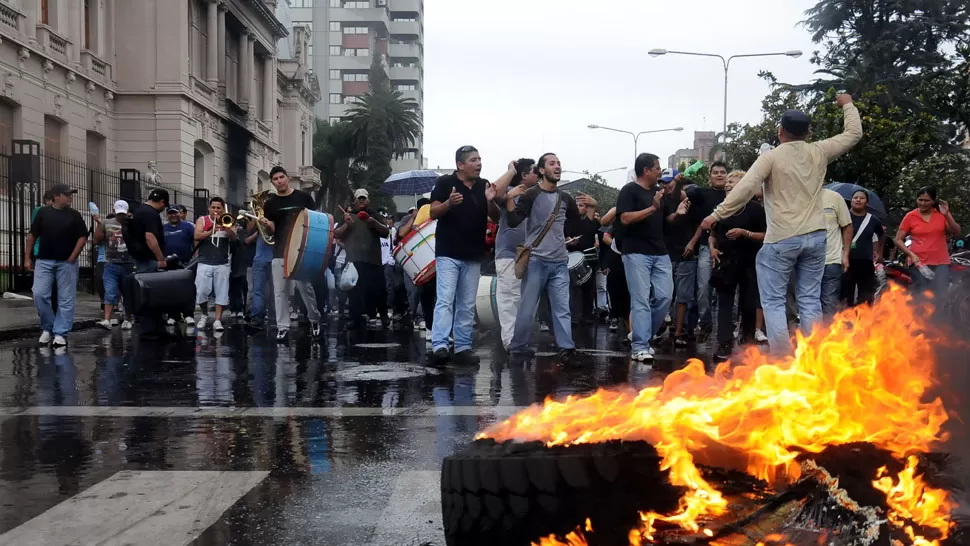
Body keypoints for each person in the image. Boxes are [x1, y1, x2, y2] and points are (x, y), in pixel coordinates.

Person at [701, 93, 863, 354]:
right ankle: (811, 358)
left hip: (781, 239)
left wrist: (717, 214)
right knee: (810, 299)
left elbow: (745, 188)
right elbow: (853, 134)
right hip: (816, 238)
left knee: (774, 301)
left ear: (780, 132)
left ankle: (782, 360)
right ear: (808, 132)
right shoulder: (819, 151)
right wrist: (847, 104)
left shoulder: (771, 157)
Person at [505, 153, 584, 362]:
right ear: (541, 170)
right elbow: (513, 221)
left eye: (559, 163)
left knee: (562, 309)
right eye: (552, 163)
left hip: (559, 262)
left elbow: (576, 225)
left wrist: (590, 211)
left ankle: (566, 348)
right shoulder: (531, 194)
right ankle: (518, 347)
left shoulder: (565, 198)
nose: (557, 166)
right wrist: (510, 198)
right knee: (528, 309)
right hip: (536, 261)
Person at [428, 145, 497, 366]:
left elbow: (494, 217)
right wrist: (449, 203)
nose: (479, 164)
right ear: (460, 164)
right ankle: (440, 345)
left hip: (473, 254)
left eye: (480, 159)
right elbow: (433, 211)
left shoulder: (483, 185)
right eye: (474, 160)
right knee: (446, 300)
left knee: (467, 304)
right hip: (448, 252)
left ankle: (463, 347)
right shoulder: (445, 183)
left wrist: (490, 201)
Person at [616, 153, 674, 362]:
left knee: (665, 297)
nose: (660, 171)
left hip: (660, 252)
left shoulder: (659, 193)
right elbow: (624, 218)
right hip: (636, 252)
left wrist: (680, 212)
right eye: (657, 167)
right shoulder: (629, 191)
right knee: (641, 300)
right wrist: (652, 208)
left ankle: (642, 335)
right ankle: (639, 347)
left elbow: (666, 218)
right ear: (646, 170)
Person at [259, 166, 322, 341]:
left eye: (281, 177)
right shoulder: (270, 204)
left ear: (287, 178)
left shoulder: (303, 197)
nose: (279, 181)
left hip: (301, 251)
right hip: (279, 251)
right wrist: (266, 224)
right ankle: (282, 327)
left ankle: (314, 319)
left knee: (305, 288)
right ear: (272, 182)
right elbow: (271, 231)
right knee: (279, 292)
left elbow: (314, 222)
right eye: (275, 179)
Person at [708, 170, 766, 359]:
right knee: (724, 303)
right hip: (725, 261)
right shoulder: (722, 208)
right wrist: (712, 248)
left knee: (749, 304)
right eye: (728, 183)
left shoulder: (756, 209)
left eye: (734, 182)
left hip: (749, 261)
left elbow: (767, 236)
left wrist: (745, 233)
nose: (728, 185)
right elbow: (713, 234)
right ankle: (724, 344)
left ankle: (747, 341)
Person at [25, 184, 88, 347]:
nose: (70, 197)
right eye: (67, 195)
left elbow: (82, 237)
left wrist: (73, 257)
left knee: (66, 298)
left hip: (66, 262)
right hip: (44, 260)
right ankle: (48, 327)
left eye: (70, 195)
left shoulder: (74, 215)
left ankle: (60, 332)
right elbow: (32, 235)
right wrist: (27, 258)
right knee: (39, 293)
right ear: (56, 196)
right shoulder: (43, 213)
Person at [489, 158, 538, 350]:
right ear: (524, 176)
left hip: (531, 254)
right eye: (534, 171)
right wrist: (510, 171)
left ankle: (521, 340)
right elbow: (493, 193)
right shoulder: (509, 190)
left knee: (525, 299)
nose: (538, 173)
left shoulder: (536, 194)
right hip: (508, 254)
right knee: (509, 299)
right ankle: (510, 341)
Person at [334, 188, 390, 329]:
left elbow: (386, 232)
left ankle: (383, 315)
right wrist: (347, 223)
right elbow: (337, 234)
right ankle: (355, 318)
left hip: (373, 260)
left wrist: (373, 222)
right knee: (355, 291)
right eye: (359, 198)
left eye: (364, 198)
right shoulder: (348, 215)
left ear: (368, 200)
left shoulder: (374, 215)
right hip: (354, 260)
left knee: (379, 290)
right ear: (355, 200)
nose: (361, 200)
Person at [894, 186, 961, 302]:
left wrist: (946, 215)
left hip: (941, 262)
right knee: (923, 293)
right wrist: (911, 254)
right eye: (920, 200)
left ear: (933, 201)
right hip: (918, 262)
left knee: (940, 294)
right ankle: (921, 319)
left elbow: (957, 232)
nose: (923, 203)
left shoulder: (942, 214)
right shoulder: (910, 216)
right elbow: (898, 239)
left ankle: (939, 319)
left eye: (926, 200)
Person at [686, 161, 728, 336]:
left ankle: (728, 328)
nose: (719, 175)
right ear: (709, 176)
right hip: (705, 246)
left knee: (727, 291)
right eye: (715, 172)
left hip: (729, 247)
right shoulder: (703, 194)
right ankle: (705, 323)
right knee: (703, 289)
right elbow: (688, 191)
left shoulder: (735, 196)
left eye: (723, 172)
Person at [126, 188, 171, 340]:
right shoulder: (151, 214)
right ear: (162, 202)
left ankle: (150, 326)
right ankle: (151, 328)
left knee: (144, 293)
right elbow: (150, 238)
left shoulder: (139, 211)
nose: (164, 209)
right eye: (164, 206)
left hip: (140, 258)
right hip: (149, 260)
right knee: (152, 294)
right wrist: (160, 258)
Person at [660, 168, 698, 346]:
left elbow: (701, 223)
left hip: (686, 253)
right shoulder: (662, 200)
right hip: (665, 254)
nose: (665, 185)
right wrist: (677, 212)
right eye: (663, 182)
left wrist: (692, 242)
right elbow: (668, 219)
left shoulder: (692, 199)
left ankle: (679, 332)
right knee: (664, 295)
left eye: (669, 182)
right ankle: (659, 327)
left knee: (683, 297)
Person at [192, 197, 237, 331]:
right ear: (209, 208)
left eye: (218, 208)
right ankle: (205, 314)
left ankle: (218, 320)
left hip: (222, 262)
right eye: (213, 207)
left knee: (221, 292)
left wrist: (226, 228)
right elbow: (197, 236)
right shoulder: (202, 220)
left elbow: (234, 238)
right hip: (205, 261)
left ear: (223, 209)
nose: (216, 210)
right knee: (201, 291)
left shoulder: (228, 219)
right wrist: (213, 229)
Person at [396, 197, 435, 341]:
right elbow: (401, 234)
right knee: (413, 292)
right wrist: (414, 218)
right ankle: (416, 317)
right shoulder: (407, 218)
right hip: (411, 261)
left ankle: (424, 319)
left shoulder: (433, 216)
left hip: (429, 260)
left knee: (427, 292)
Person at [94, 200, 135, 330]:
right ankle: (107, 319)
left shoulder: (132, 224)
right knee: (110, 292)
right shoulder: (107, 223)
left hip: (128, 263)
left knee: (127, 292)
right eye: (119, 214)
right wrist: (100, 225)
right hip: (111, 263)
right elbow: (97, 240)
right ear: (114, 211)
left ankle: (128, 318)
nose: (121, 216)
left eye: (123, 214)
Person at [842, 190, 884, 307]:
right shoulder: (843, 217)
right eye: (855, 198)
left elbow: (881, 235)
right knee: (845, 295)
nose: (858, 200)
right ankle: (845, 320)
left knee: (866, 296)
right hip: (845, 261)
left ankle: (863, 321)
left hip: (865, 261)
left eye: (862, 198)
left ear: (867, 202)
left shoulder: (873, 220)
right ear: (851, 201)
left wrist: (879, 253)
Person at [820, 188, 853, 319]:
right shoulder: (798, 196)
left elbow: (847, 226)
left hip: (831, 260)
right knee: (808, 302)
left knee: (829, 301)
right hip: (805, 262)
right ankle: (811, 336)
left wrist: (845, 255)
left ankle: (827, 336)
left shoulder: (834, 197)